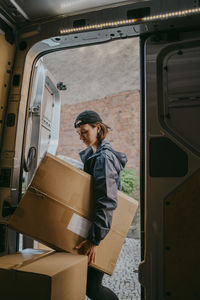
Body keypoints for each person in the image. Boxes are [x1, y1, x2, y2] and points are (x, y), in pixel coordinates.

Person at [74, 110, 127, 300]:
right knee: (89, 286)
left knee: (93, 288)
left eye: (85, 132)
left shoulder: (104, 158)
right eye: (79, 133)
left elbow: (106, 201)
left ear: (98, 128)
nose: (81, 137)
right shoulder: (93, 155)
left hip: (101, 231)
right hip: (98, 228)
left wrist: (94, 240)